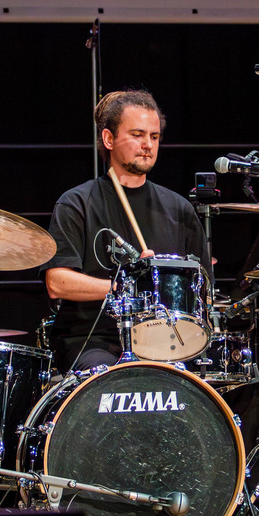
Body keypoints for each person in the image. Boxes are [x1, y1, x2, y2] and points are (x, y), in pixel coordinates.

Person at [43, 90, 209, 372]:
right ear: (109, 139)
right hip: (94, 340)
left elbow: (202, 287)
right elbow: (57, 283)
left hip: (165, 342)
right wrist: (128, 288)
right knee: (111, 378)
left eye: (154, 137)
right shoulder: (77, 203)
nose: (148, 145)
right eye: (137, 135)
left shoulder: (179, 209)